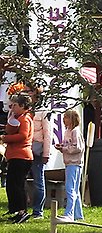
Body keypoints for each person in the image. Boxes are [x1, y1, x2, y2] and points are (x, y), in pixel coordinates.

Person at [3, 93, 34, 223]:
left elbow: (23, 136)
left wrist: (5, 138)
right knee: (11, 184)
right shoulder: (18, 117)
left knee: (17, 185)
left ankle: (22, 211)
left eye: (15, 105)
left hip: (21, 156)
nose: (13, 107)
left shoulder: (25, 119)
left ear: (22, 106)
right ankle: (15, 210)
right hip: (15, 155)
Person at [54, 109, 86, 222]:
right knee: (75, 190)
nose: (63, 120)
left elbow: (78, 147)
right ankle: (78, 214)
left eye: (66, 117)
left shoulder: (75, 131)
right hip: (69, 162)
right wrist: (62, 147)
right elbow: (69, 145)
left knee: (70, 188)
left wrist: (64, 149)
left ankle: (69, 213)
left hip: (74, 163)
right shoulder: (68, 131)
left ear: (71, 119)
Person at [29, 89, 53, 219]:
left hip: (37, 148)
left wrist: (46, 153)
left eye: (30, 92)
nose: (28, 94)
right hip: (25, 147)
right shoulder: (25, 109)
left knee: (38, 179)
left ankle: (38, 211)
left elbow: (48, 134)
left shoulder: (44, 111)